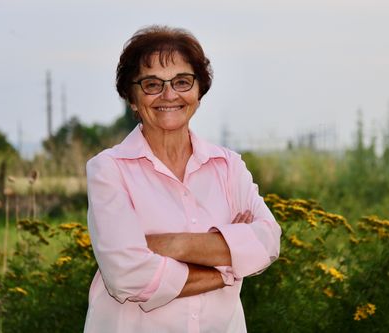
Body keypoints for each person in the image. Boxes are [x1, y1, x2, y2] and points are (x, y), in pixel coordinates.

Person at [84, 25, 281, 333]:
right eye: (152, 84)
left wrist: (170, 244)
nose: (169, 94)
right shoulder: (108, 169)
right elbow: (126, 275)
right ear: (132, 98)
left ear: (198, 92)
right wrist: (228, 265)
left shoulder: (228, 166)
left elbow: (267, 241)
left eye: (182, 81)